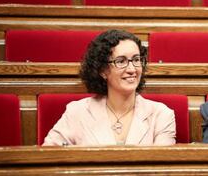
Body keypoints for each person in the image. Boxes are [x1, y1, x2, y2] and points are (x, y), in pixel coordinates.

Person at [43, 29, 176, 146]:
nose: (132, 69)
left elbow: (162, 168)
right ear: (103, 70)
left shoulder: (161, 114)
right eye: (121, 61)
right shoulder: (77, 112)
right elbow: (50, 155)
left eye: (136, 59)